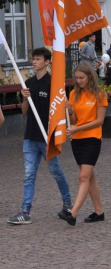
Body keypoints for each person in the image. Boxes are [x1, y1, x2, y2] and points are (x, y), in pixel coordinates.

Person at [7, 48, 72, 225]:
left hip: (47, 137)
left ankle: (67, 203)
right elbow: (25, 112)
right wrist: (24, 98)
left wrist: (66, 107)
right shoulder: (28, 83)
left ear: (47, 62)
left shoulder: (53, 84)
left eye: (38, 59)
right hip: (30, 136)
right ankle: (25, 211)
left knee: (55, 171)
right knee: (29, 175)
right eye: (33, 59)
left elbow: (60, 110)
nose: (34, 62)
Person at [58, 63, 108, 226]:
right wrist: (70, 111)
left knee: (83, 176)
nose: (79, 81)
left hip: (92, 138)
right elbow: (74, 120)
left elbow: (99, 121)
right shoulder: (73, 94)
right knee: (89, 176)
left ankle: (72, 213)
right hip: (77, 139)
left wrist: (77, 128)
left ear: (89, 77)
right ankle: (99, 212)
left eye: (82, 78)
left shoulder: (100, 94)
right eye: (77, 78)